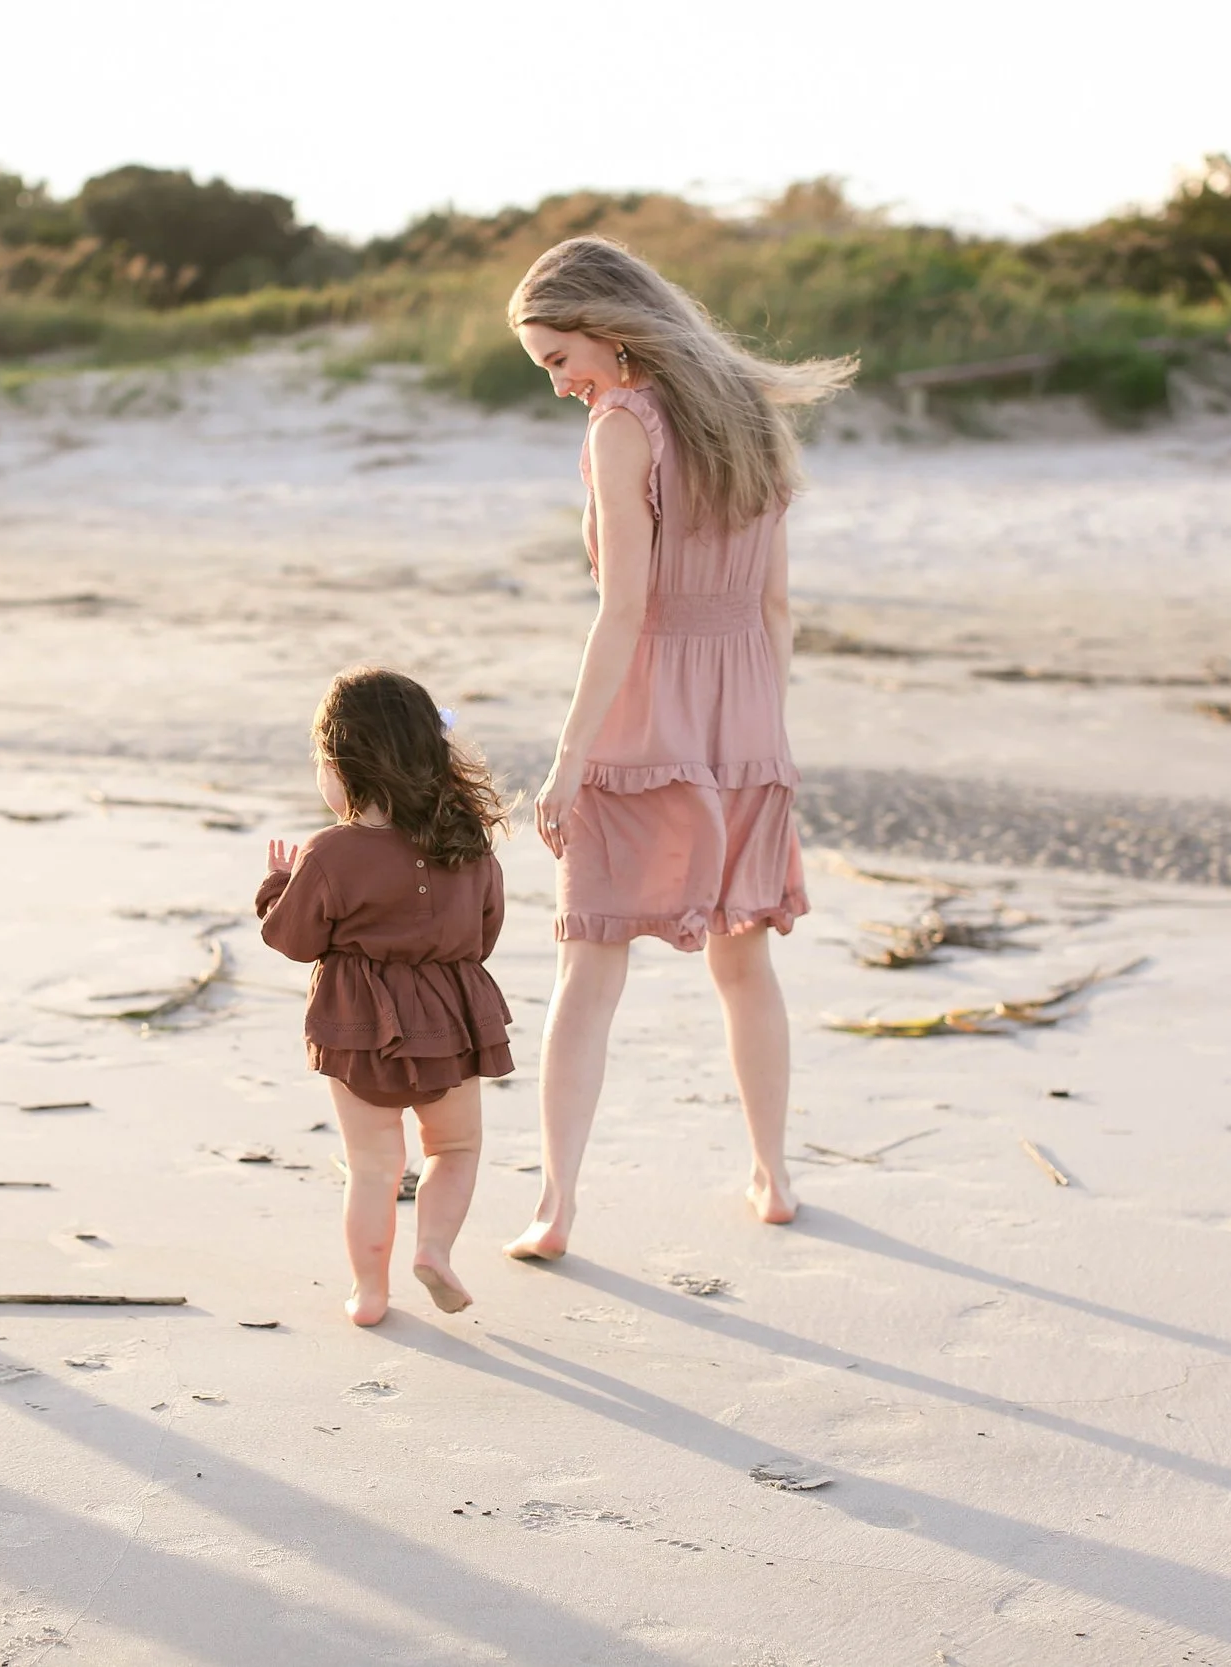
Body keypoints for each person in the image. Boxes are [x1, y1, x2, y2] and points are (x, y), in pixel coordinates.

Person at [501, 236, 855, 1260]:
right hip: (746, 716)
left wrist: (568, 758)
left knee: (587, 968)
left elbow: (623, 611)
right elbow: (779, 602)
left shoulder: (625, 426)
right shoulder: (749, 410)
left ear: (610, 333)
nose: (561, 385)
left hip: (645, 714)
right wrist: (759, 726)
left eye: (558, 359)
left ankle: (556, 1205)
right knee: (744, 966)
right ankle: (772, 1174)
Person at [257, 668, 515, 1325]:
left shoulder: (328, 853)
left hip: (359, 1027)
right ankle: (433, 1248)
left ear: (346, 764)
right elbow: (482, 937)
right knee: (453, 1149)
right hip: (454, 1023)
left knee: (372, 1166)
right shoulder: (468, 843)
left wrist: (277, 886)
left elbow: (293, 937)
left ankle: (370, 1292)